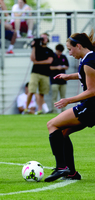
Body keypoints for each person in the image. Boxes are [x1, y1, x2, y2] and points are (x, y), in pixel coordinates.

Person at [44, 30, 95, 182]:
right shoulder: (89, 57)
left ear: (78, 46)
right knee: (63, 132)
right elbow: (85, 74)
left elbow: (92, 90)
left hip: (91, 106)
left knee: (52, 124)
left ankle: (61, 168)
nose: (70, 53)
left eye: (70, 49)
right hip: (91, 106)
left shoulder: (88, 62)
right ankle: (71, 173)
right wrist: (68, 76)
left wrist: (69, 100)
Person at [24, 33, 54, 115]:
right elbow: (32, 59)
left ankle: (40, 109)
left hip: (45, 74)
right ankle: (26, 109)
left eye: (45, 38)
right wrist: (33, 47)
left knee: (42, 92)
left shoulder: (50, 50)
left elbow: (49, 61)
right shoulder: (36, 48)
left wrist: (37, 62)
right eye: (42, 37)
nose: (43, 39)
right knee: (31, 90)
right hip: (35, 73)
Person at [49, 44, 69, 113]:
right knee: (54, 96)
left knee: (63, 96)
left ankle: (63, 110)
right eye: (58, 51)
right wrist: (57, 67)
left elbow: (67, 66)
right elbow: (50, 67)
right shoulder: (52, 56)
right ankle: (54, 110)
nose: (59, 53)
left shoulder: (63, 57)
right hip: (54, 80)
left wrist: (62, 67)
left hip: (63, 80)